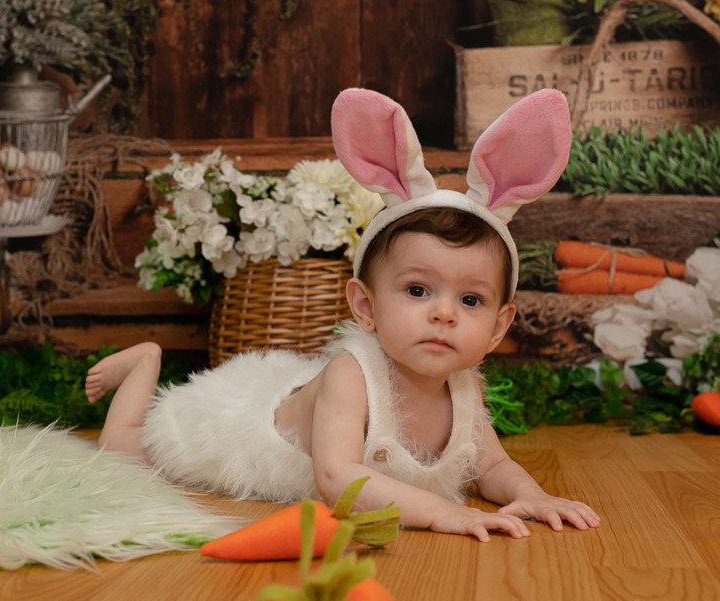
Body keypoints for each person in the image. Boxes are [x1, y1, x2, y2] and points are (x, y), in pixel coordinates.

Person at [85, 88, 600, 541]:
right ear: (366, 306)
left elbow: (491, 465)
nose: (444, 313)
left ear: (498, 327)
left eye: (470, 301)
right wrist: (441, 511)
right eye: (417, 290)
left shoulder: (464, 387)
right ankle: (145, 363)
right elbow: (337, 478)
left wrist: (529, 494)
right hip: (230, 427)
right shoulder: (350, 376)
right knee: (126, 451)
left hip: (299, 394)